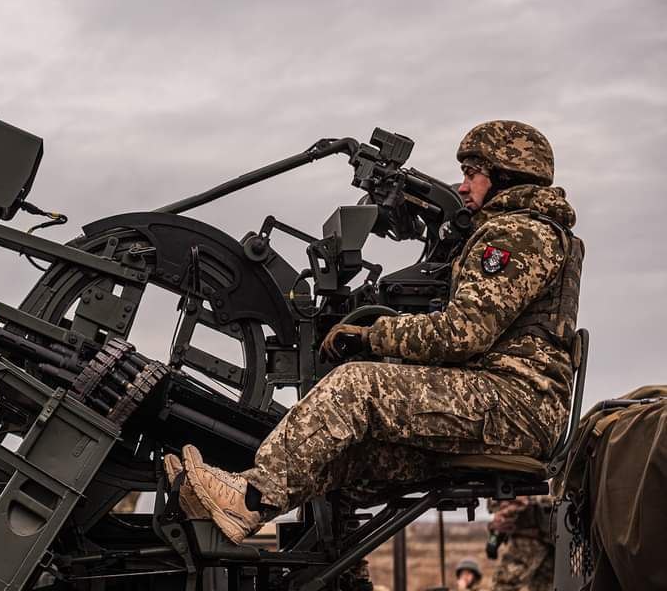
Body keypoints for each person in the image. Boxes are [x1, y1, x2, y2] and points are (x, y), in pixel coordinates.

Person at [165, 120, 583, 544]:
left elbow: (463, 333)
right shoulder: (520, 231)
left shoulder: (519, 234)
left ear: (507, 175)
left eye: (473, 174)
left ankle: (246, 498)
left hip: (514, 405)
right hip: (499, 408)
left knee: (358, 385)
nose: (462, 186)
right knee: (348, 456)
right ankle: (304, 550)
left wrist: (371, 336)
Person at [488, 495, 555, 591]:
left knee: (502, 590)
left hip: (528, 544)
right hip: (549, 543)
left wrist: (493, 539)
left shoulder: (512, 486)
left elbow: (502, 520)